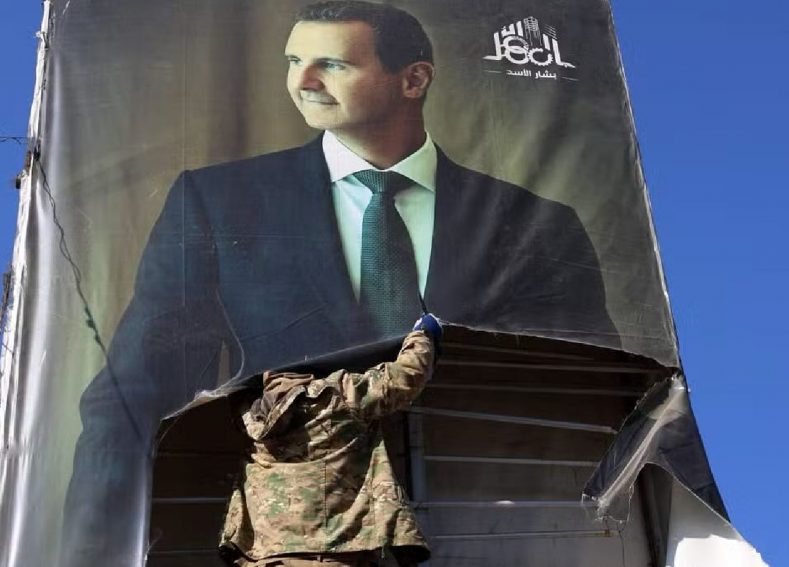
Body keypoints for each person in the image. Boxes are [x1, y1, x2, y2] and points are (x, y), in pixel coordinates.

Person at [61, 2, 617, 565]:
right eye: (293, 61)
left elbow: (597, 396)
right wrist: (93, 556)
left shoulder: (536, 225)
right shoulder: (219, 204)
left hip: (496, 536)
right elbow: (128, 398)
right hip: (302, 539)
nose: (302, 81)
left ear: (413, 80)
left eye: (331, 64)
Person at [220, 314, 442, 567]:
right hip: (334, 553)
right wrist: (424, 333)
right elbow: (407, 375)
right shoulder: (341, 394)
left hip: (266, 556)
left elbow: (233, 380)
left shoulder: (250, 412)